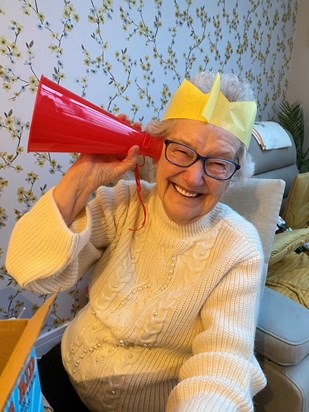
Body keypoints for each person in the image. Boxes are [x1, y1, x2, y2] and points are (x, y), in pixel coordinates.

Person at [6, 72, 267, 411]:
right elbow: (31, 271)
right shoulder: (123, 203)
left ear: (234, 174)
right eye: (182, 151)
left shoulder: (239, 248)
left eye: (218, 163)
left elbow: (223, 366)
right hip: (61, 370)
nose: (193, 176)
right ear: (158, 148)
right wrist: (82, 177)